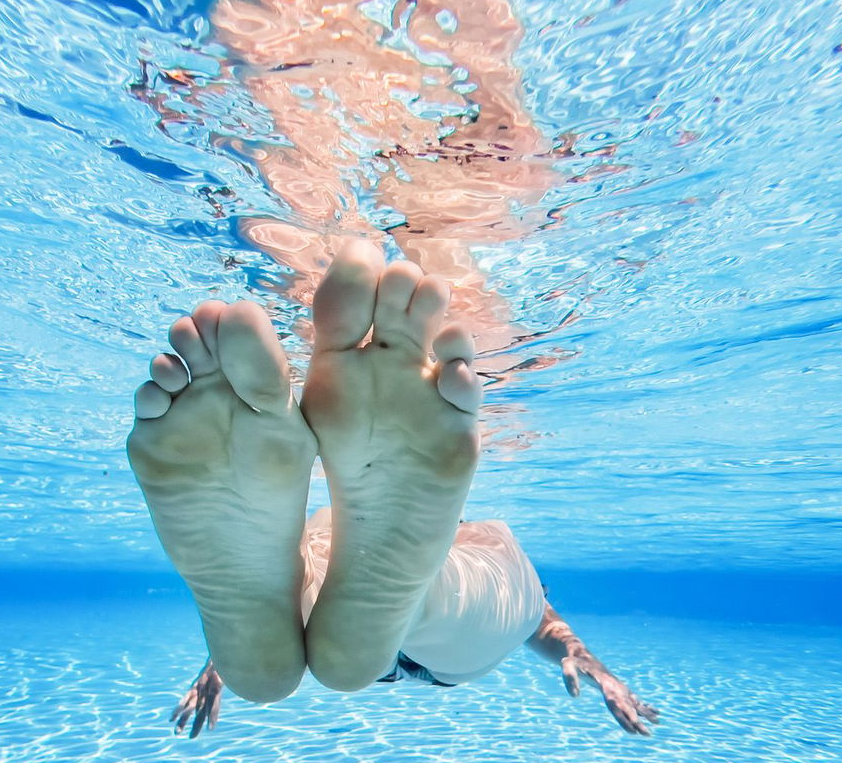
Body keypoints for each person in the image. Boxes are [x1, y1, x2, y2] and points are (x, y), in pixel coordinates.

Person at [127, 243, 659, 738]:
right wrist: (585, 658)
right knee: (489, 576)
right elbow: (541, 620)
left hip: (328, 598)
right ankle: (418, 597)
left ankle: (361, 614)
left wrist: (222, 663)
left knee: (310, 558)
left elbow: (252, 577)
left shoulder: (349, 525)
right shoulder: (466, 535)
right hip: (454, 641)